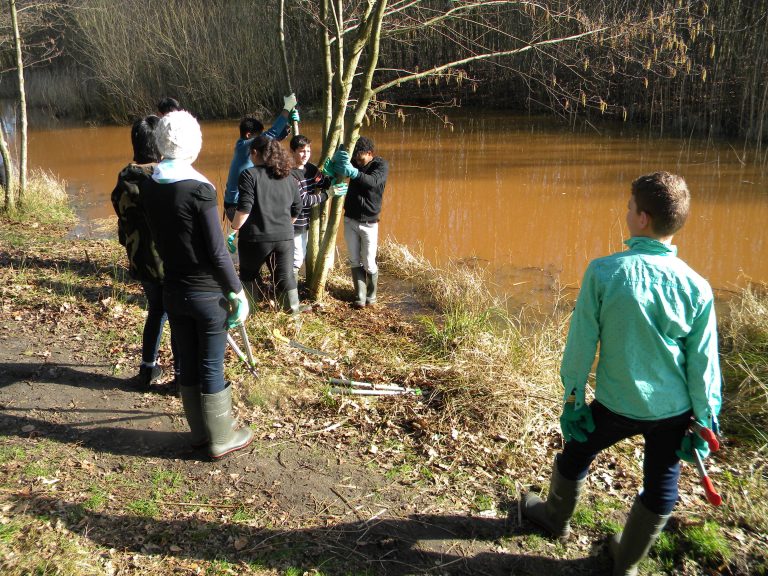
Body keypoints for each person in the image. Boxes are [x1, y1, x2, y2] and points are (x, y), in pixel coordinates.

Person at [521, 172, 722, 576]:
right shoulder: (698, 287)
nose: (625, 212)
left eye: (630, 207)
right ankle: (625, 562)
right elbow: (703, 366)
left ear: (643, 218)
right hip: (673, 412)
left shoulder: (605, 272)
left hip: (615, 404)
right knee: (662, 485)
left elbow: (581, 344)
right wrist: (705, 420)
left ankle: (553, 518)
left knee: (576, 452)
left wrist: (573, 396)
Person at [140, 110, 253, 460]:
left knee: (186, 361)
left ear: (160, 142)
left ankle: (201, 434)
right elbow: (218, 252)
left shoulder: (149, 185)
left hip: (173, 290)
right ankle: (222, 437)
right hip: (207, 294)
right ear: (195, 144)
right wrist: (237, 290)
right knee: (210, 365)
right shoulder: (200, 189)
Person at [110, 115, 177, 390]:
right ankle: (182, 377)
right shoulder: (164, 177)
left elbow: (121, 223)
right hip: (169, 261)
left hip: (140, 258)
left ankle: (147, 369)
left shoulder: (124, 177)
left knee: (156, 311)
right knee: (177, 317)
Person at [231, 135, 302, 314]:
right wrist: (285, 225)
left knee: (249, 275)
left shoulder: (249, 174)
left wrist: (232, 230)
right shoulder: (288, 175)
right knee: (285, 278)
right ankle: (292, 315)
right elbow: (297, 207)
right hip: (285, 238)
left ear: (255, 153)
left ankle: (250, 313)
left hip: (255, 238)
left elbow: (244, 209)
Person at [223, 94, 298, 223]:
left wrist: (288, 125)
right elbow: (270, 134)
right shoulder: (242, 147)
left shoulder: (247, 148)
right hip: (236, 207)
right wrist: (287, 108)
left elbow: (268, 142)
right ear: (248, 135)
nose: (261, 140)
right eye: (258, 136)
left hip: (243, 203)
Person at [333, 136, 389, 308]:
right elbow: (342, 159)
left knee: (369, 261)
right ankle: (360, 295)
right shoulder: (355, 161)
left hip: (369, 222)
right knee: (354, 259)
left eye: (360, 157)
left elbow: (372, 182)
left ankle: (371, 297)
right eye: (355, 157)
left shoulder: (380, 166)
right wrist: (338, 154)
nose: (357, 160)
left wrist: (355, 173)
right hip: (350, 219)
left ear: (370, 153)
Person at [289, 134, 334, 281]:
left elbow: (323, 184)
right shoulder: (289, 174)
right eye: (301, 151)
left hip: (308, 222)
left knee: (302, 256)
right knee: (296, 259)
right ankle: (289, 298)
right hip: (294, 223)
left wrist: (332, 176)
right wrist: (327, 195)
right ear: (293, 151)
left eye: (308, 151)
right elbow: (304, 200)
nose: (305, 154)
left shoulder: (311, 169)